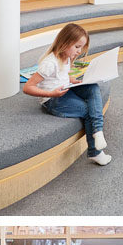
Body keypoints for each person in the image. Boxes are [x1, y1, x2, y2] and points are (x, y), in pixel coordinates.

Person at [22, 22, 111, 166]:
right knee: (90, 110)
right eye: (77, 47)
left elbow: (61, 76)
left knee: (93, 86)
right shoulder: (49, 63)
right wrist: (51, 93)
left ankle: (98, 131)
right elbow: (28, 87)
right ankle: (95, 152)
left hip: (65, 89)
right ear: (65, 43)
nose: (79, 51)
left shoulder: (67, 57)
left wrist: (73, 80)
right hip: (53, 100)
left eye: (81, 47)